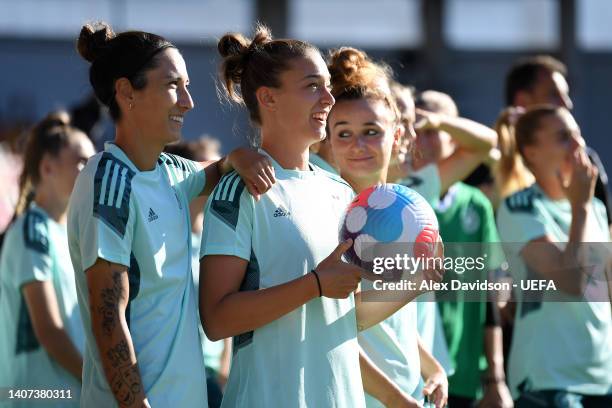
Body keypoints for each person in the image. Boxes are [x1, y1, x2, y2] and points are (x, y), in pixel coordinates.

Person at [199, 25, 443, 408]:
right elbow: (216, 319)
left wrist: (415, 280)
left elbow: (344, 316)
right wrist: (314, 283)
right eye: (313, 86)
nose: (330, 98)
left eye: (328, 85)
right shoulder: (239, 190)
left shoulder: (340, 194)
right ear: (268, 98)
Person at [68, 22, 273, 407]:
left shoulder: (171, 172)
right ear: (126, 91)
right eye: (172, 86)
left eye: (188, 86)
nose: (188, 101)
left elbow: (215, 169)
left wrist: (238, 157)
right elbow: (108, 316)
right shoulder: (108, 178)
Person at [326, 46, 448, 408]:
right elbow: (342, 324)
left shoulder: (405, 207)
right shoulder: (329, 212)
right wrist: (394, 399)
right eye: (343, 133)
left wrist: (433, 368)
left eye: (371, 131)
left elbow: (393, 322)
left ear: (397, 137)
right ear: (328, 142)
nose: (358, 144)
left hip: (409, 394)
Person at [496, 105, 612, 407]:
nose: (578, 146)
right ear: (531, 152)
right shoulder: (519, 207)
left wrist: (585, 207)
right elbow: (571, 282)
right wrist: (580, 208)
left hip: (602, 378)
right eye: (563, 137)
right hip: (549, 380)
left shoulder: (596, 209)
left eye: (577, 135)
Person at [414, 90, 513, 408]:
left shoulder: (477, 204)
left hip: (465, 369)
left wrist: (494, 375)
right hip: (413, 366)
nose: (424, 139)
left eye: (435, 130)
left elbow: (489, 295)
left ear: (457, 137)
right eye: (418, 128)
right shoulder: (401, 195)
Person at [0, 112, 95, 406]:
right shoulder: (33, 228)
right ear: (47, 167)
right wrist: (97, 384)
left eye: (92, 164)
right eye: (81, 162)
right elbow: (49, 330)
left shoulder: (70, 237)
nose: (89, 172)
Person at [503, 55, 611, 225]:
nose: (567, 104)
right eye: (554, 94)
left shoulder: (585, 161)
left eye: (566, 95)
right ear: (523, 101)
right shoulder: (488, 162)